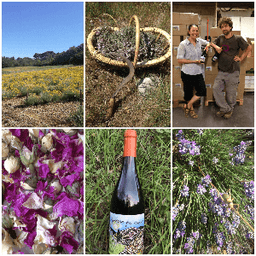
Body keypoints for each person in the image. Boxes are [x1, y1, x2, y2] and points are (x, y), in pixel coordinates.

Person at [210, 17, 252, 119]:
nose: (224, 28)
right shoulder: (220, 38)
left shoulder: (238, 39)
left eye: (226, 26)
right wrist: (217, 48)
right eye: (222, 27)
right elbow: (211, 43)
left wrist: (241, 58)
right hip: (221, 71)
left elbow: (248, 47)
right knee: (216, 89)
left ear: (230, 27)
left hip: (233, 71)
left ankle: (229, 109)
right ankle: (225, 109)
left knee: (231, 94)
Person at [177, 24, 210, 118]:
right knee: (188, 94)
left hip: (198, 72)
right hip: (187, 73)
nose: (195, 33)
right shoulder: (183, 44)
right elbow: (179, 60)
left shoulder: (200, 41)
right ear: (189, 31)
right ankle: (191, 109)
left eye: (196, 31)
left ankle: (187, 105)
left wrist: (207, 47)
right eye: (193, 31)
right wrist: (195, 61)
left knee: (202, 91)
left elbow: (208, 43)